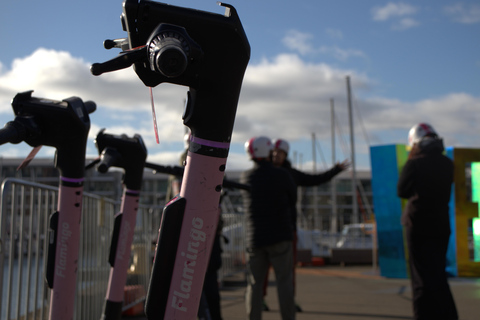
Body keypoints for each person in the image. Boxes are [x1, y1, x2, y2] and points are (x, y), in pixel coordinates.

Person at [264, 138, 349, 311]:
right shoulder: (263, 173)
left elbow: (316, 179)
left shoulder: (291, 174)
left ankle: (289, 301)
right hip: (265, 228)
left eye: (279, 153)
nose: (275, 155)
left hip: (288, 229)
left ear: (285, 155)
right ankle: (260, 299)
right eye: (273, 152)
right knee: (263, 268)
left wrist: (335, 170)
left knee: (288, 269)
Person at [397, 123, 458, 320]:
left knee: (420, 278)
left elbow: (402, 191)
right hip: (440, 224)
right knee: (438, 275)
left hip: (418, 224)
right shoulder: (447, 163)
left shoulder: (415, 163)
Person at [240, 136, 297, 320]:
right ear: (268, 151)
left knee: (254, 284)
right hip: (280, 236)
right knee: (284, 282)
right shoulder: (282, 175)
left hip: (255, 239)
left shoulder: (246, 176)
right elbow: (292, 199)